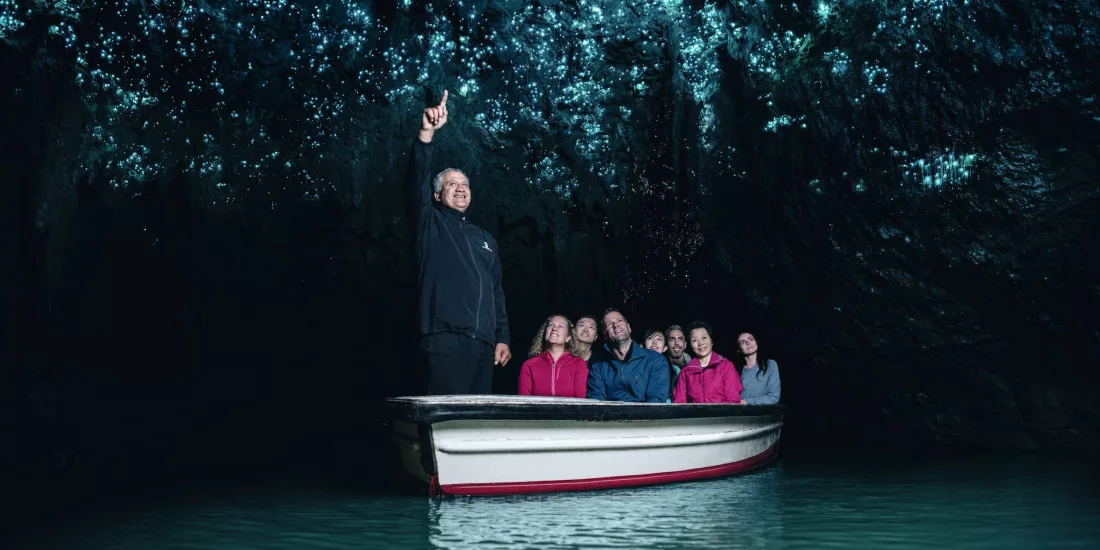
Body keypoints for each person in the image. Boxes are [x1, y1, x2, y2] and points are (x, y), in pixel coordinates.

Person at [410, 90, 511, 394]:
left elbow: (496, 292)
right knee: (444, 415)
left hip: (483, 343)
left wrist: (501, 336)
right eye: (452, 184)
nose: (460, 188)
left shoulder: (486, 240)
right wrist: (426, 133)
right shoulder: (430, 222)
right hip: (444, 338)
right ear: (438, 195)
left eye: (465, 184)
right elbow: (415, 183)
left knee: (475, 418)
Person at [586, 309, 670, 402]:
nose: (616, 325)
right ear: (605, 335)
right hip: (612, 415)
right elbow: (596, 403)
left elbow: (656, 401)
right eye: (609, 324)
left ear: (629, 328)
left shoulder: (655, 360)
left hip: (646, 415)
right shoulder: (598, 367)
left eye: (619, 320)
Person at [517, 315, 589, 398]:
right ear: (544, 333)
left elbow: (580, 401)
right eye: (551, 325)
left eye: (561, 326)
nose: (554, 329)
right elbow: (524, 402)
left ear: (568, 338)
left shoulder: (578, 364)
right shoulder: (529, 365)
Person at [672, 321, 743, 404]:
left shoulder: (726, 366)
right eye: (694, 340)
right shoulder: (685, 373)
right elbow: (679, 403)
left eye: (704, 338)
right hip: (695, 416)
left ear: (711, 341)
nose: (700, 343)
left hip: (723, 416)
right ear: (690, 345)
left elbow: (733, 400)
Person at [733, 332, 781, 405]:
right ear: (739, 349)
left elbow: (774, 397)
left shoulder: (770, 365)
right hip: (740, 413)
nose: (748, 343)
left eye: (751, 339)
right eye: (742, 342)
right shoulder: (735, 370)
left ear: (757, 343)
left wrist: (747, 402)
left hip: (762, 414)